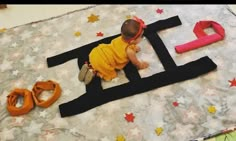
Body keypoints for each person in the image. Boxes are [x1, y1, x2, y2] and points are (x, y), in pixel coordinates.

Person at [78, 16, 149, 85]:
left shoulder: (120, 38)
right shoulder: (129, 51)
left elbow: (127, 45)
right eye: (141, 36)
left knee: (96, 62)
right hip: (103, 62)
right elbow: (136, 63)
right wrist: (141, 65)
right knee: (112, 76)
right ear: (132, 41)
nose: (142, 38)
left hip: (96, 53)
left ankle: (88, 65)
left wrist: (135, 48)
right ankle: (95, 72)